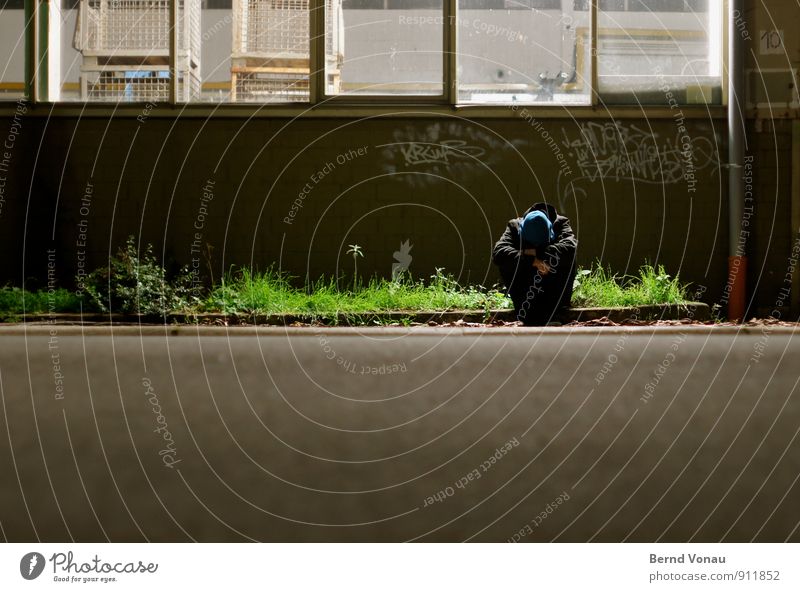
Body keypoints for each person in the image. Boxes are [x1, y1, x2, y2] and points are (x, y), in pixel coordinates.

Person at [492, 202, 578, 326]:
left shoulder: (561, 223)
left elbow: (570, 248)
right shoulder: (514, 226)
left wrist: (535, 253)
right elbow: (499, 253)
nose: (536, 246)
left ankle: (556, 310)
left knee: (567, 257)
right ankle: (527, 310)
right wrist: (532, 261)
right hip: (525, 290)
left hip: (553, 285)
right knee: (508, 260)